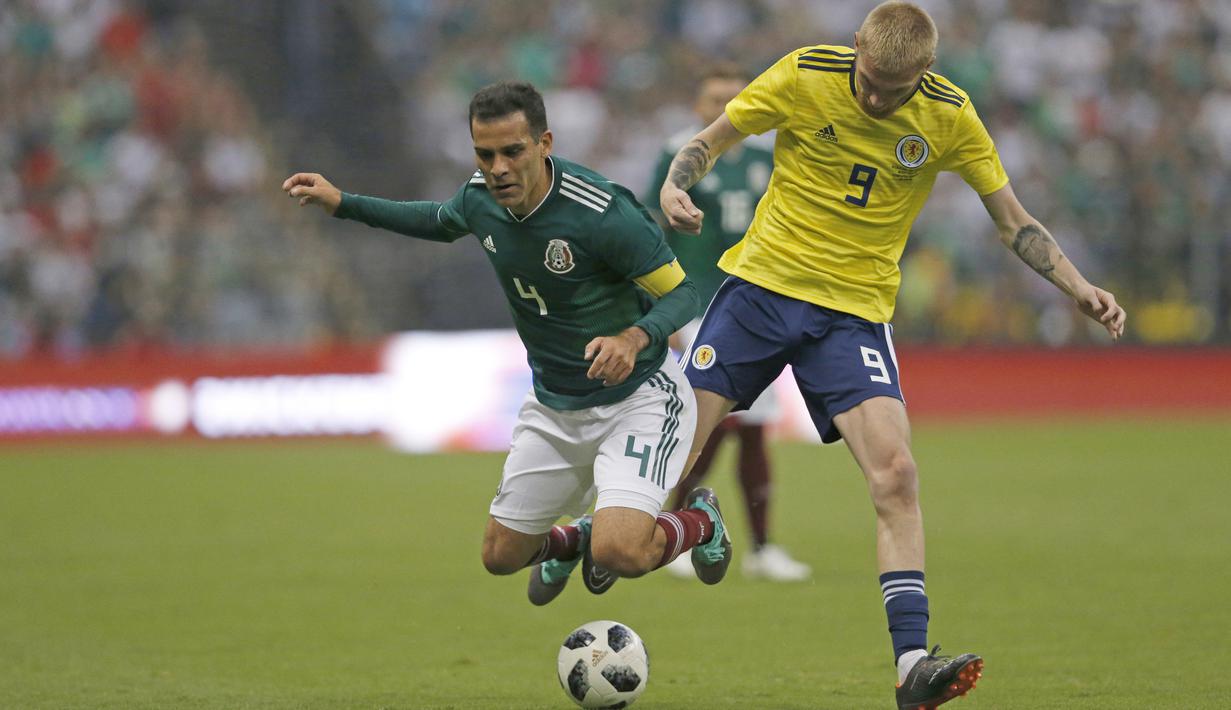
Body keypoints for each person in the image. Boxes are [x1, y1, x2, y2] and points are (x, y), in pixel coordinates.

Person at [657, 3, 1126, 709]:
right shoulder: (804, 75)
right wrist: (674, 181)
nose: (875, 98)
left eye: (893, 88)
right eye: (869, 81)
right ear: (856, 50)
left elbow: (1013, 223)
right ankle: (643, 528)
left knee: (897, 475)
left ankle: (910, 666)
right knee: (670, 460)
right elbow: (712, 139)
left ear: (925, 72)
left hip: (851, 315)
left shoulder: (948, 116)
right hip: (759, 291)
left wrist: (1078, 287)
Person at [284, 81, 734, 606]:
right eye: (485, 153)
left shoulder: (602, 212)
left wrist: (634, 338)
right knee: (500, 556)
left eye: (512, 152)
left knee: (622, 554)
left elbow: (682, 293)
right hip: (555, 403)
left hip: (639, 399)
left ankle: (699, 521)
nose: (497, 168)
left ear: (544, 143)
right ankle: (572, 540)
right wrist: (344, 203)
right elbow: (435, 220)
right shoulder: (481, 199)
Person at [645, 63, 810, 582]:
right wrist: (660, 306)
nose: (723, 109)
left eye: (732, 99)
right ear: (697, 107)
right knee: (715, 422)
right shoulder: (679, 154)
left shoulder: (768, 154)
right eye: (713, 99)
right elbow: (655, 235)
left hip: (756, 305)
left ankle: (742, 544)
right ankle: (676, 532)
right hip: (698, 306)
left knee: (752, 427)